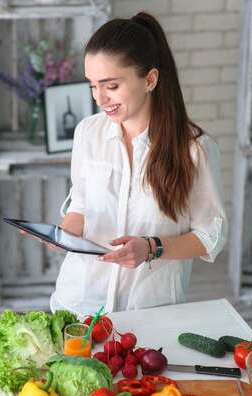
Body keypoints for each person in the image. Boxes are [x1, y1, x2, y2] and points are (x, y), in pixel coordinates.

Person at [49, 11, 228, 316]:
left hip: (149, 310)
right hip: (78, 303)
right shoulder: (87, 133)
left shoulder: (194, 150)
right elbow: (80, 207)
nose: (99, 98)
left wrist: (151, 248)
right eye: (93, 85)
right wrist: (61, 234)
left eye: (111, 86)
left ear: (150, 79)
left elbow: (209, 236)